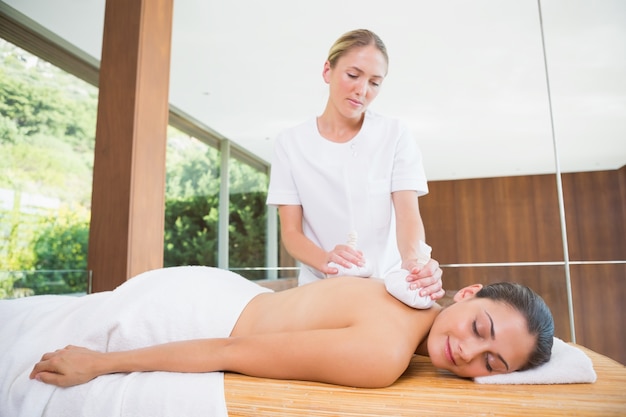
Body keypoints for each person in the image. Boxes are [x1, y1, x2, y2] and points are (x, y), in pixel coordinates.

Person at [26, 266, 554, 389]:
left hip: (215, 287)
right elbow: (232, 349)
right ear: (467, 294)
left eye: (492, 363)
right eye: (480, 327)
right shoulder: (384, 354)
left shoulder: (408, 291)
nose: (466, 350)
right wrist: (101, 364)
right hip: (198, 315)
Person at [266, 29, 443, 300]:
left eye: (375, 82)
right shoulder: (290, 144)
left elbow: (408, 214)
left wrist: (414, 262)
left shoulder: (394, 134)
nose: (362, 90)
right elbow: (291, 232)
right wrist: (327, 259)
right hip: (319, 288)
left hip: (386, 285)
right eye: (353, 75)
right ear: (328, 71)